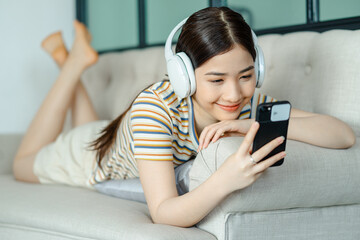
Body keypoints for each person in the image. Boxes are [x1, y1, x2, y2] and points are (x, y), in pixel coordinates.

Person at [13, 7, 355, 228]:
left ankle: (69, 58)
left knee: (93, 129)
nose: (234, 94)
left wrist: (247, 123)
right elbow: (164, 212)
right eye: (217, 80)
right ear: (185, 77)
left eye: (246, 75)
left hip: (117, 138)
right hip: (85, 159)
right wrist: (226, 179)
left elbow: (342, 135)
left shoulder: (247, 106)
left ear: (259, 70)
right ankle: (70, 65)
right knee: (22, 165)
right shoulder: (154, 109)